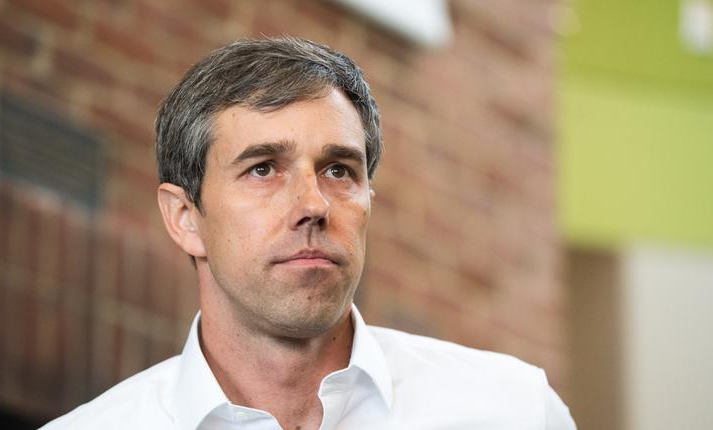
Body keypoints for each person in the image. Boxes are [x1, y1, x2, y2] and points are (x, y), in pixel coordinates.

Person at [42, 37, 575, 430]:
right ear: (185, 218)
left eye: (339, 170)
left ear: (369, 199)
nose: (314, 205)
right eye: (263, 169)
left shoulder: (513, 409)